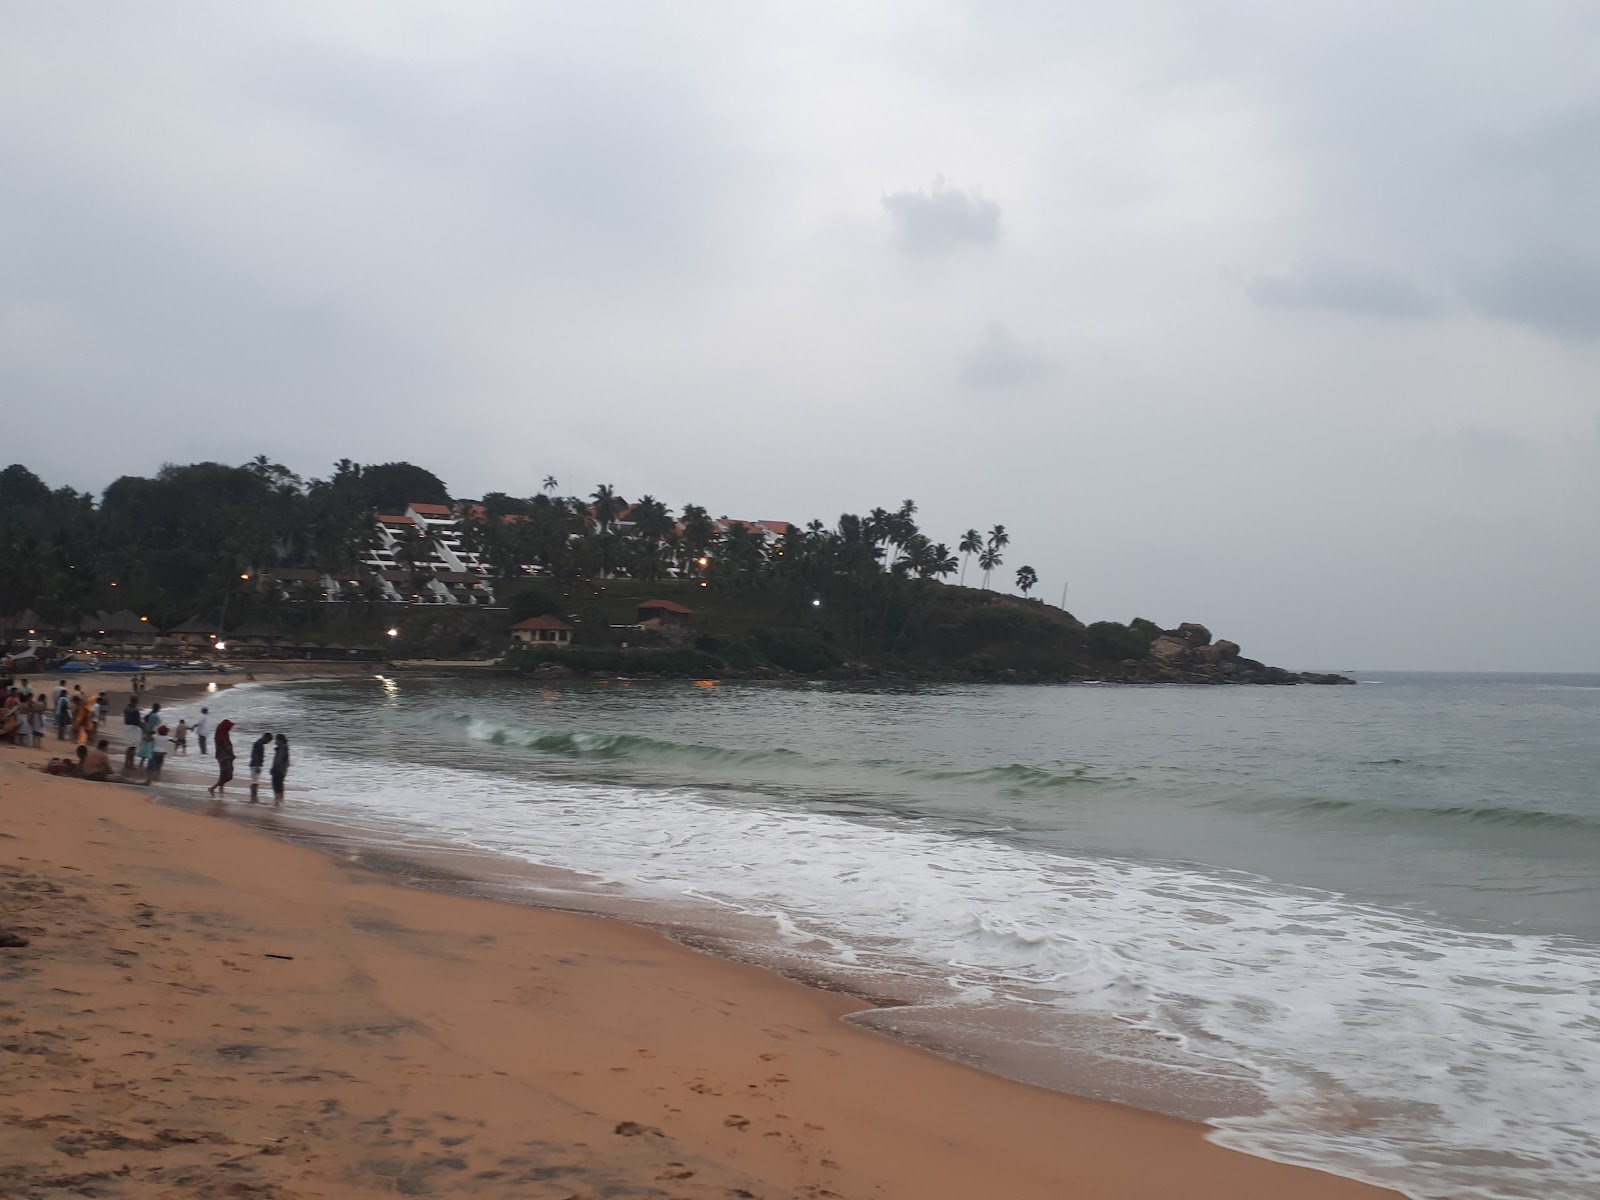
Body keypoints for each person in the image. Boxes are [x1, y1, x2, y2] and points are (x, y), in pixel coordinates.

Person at [207, 719, 236, 797]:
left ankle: (221, 788)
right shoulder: (224, 735)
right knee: (229, 775)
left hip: (220, 756)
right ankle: (213, 788)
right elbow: (226, 746)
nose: (230, 728)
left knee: (223, 773)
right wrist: (232, 755)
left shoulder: (220, 733)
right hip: (225, 757)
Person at [248, 731, 273, 802]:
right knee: (254, 782)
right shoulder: (259, 744)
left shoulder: (259, 743)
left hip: (255, 764)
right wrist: (257, 766)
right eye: (269, 740)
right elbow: (255, 755)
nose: (268, 742)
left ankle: (254, 797)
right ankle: (253, 797)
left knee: (255, 781)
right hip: (255, 765)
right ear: (266, 738)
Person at [269, 733, 290, 805]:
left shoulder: (282, 749)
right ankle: (280, 800)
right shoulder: (285, 749)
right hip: (282, 770)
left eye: (277, 740)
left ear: (281, 741)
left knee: (276, 785)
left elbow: (278, 761)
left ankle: (277, 801)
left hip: (278, 770)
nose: (276, 742)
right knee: (279, 785)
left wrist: (274, 768)